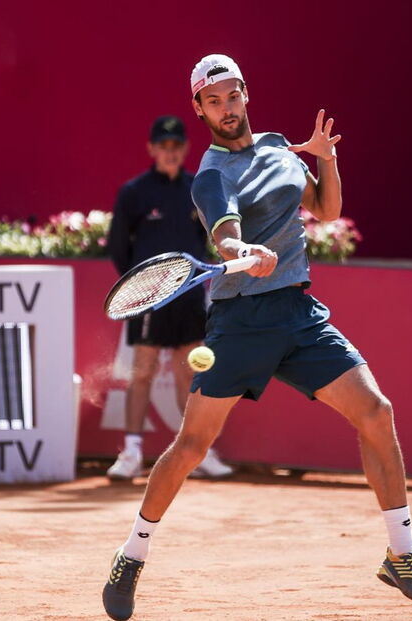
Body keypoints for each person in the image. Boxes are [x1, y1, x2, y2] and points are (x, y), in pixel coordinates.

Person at [102, 54, 412, 620]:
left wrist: (327, 159)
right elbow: (226, 236)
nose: (226, 108)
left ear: (245, 94)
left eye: (232, 96)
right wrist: (244, 253)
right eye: (213, 101)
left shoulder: (282, 147)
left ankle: (403, 554)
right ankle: (131, 553)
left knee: (376, 412)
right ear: (199, 109)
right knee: (191, 447)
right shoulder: (210, 175)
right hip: (240, 324)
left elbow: (327, 209)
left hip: (299, 315)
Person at [105, 115, 234, 482]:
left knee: (188, 375)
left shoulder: (198, 189)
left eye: (176, 146)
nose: (170, 152)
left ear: (185, 149)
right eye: (163, 145)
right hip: (148, 297)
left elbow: (207, 239)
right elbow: (118, 247)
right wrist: (140, 288)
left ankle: (198, 453)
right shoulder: (133, 192)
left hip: (190, 294)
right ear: (152, 149)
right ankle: (131, 454)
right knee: (142, 372)